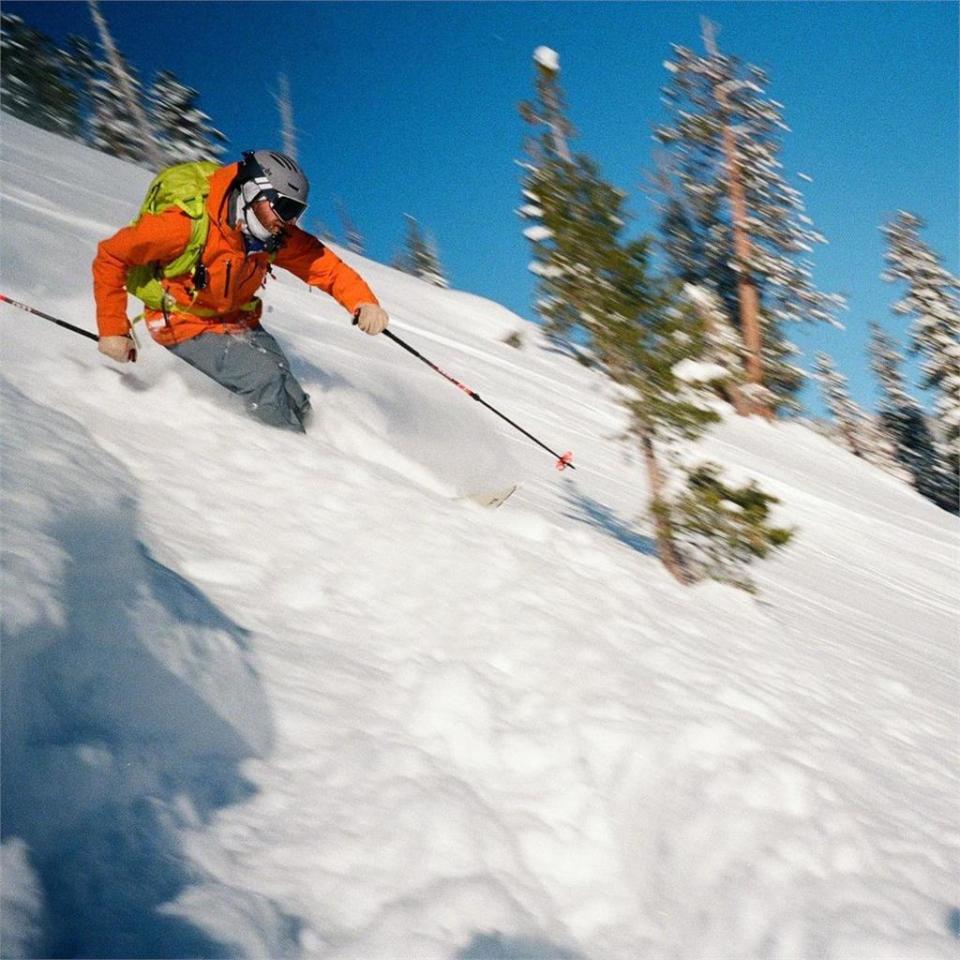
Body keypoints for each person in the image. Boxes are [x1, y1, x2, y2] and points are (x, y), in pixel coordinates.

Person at [92, 150, 389, 432]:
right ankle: (291, 458)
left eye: (296, 213)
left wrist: (363, 301)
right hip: (183, 320)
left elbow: (326, 267)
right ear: (252, 192)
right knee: (265, 380)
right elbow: (111, 256)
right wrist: (112, 329)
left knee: (286, 382)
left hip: (236, 316)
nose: (287, 222)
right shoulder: (183, 226)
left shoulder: (274, 235)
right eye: (284, 208)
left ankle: (319, 438)